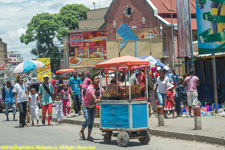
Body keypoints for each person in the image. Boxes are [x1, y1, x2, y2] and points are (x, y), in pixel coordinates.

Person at [79, 74, 104, 141]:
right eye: (96, 79)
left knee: (92, 121)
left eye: (98, 78)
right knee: (88, 120)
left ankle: (89, 136)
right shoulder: (90, 87)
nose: (98, 80)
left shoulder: (99, 88)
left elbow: (103, 93)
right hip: (86, 106)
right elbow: (92, 94)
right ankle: (82, 130)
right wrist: (95, 99)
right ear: (92, 80)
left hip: (93, 106)